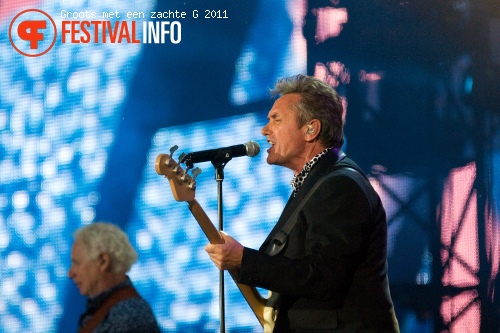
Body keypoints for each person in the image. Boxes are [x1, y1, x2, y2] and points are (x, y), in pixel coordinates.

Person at [205, 74, 400, 332]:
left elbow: (323, 277)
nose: (264, 130)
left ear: (311, 129)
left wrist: (244, 260)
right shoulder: (317, 183)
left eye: (276, 120)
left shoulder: (339, 186)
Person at [68, 222, 161, 333]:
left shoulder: (127, 315)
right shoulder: (121, 310)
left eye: (77, 263)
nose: (70, 273)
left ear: (103, 262)